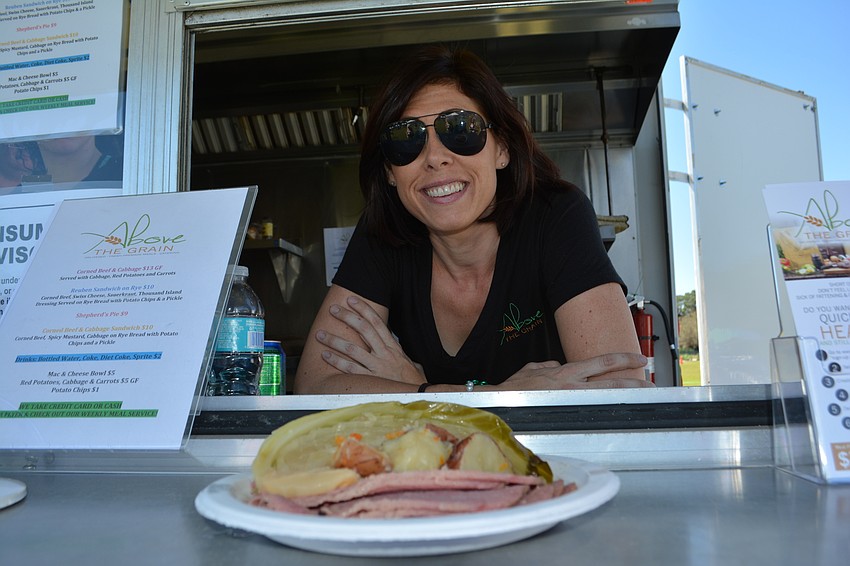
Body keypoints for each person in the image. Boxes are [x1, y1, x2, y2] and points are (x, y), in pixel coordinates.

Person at [294, 45, 650, 394]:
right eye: (406, 140)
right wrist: (469, 394)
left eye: (460, 129)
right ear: (390, 171)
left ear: (502, 148)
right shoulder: (382, 234)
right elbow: (314, 383)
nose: (435, 158)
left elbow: (621, 391)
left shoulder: (556, 215)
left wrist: (407, 387)